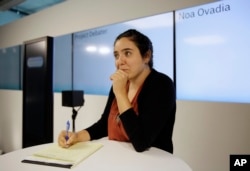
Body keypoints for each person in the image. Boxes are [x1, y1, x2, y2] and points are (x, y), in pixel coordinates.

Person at [58, 29, 176, 153]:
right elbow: (104, 125)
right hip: (120, 158)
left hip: (154, 162)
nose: (120, 61)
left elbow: (141, 142)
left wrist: (120, 93)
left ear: (146, 56)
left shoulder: (162, 84)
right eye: (116, 55)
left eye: (128, 53)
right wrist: (77, 136)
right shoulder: (120, 84)